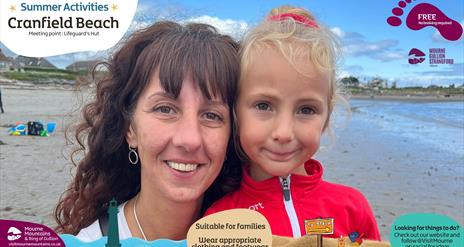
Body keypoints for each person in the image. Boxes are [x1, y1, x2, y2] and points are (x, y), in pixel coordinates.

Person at [205, 5, 381, 240]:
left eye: (306, 109)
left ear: (326, 118)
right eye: (264, 105)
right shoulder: (220, 220)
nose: (284, 133)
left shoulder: (353, 208)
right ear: (236, 113)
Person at [54, 21, 241, 241]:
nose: (189, 139)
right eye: (165, 109)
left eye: (212, 115)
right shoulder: (90, 241)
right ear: (129, 128)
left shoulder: (263, 233)